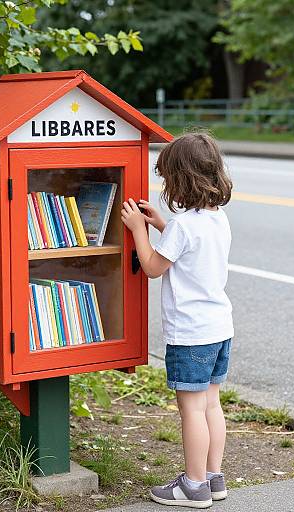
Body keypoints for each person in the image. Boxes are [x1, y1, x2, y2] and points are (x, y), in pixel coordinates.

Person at [121, 132, 233, 509]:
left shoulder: (185, 226)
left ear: (180, 180)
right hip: (219, 328)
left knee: (191, 409)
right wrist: (161, 225)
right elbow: (190, 252)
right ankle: (214, 478)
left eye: (167, 179)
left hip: (191, 334)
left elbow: (153, 267)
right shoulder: (216, 219)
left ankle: (193, 485)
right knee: (211, 404)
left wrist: (139, 230)